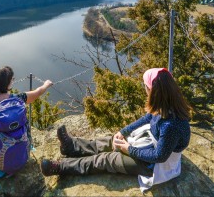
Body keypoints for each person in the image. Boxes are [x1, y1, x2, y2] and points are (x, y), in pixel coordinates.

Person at [40, 68, 191, 192]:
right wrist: (123, 132)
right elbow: (147, 118)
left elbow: (159, 157)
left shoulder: (171, 125)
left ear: (153, 91)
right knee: (111, 140)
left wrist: (128, 149)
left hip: (153, 166)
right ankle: (71, 146)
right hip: (150, 144)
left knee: (106, 159)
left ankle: (60, 167)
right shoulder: (166, 104)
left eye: (145, 86)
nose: (144, 88)